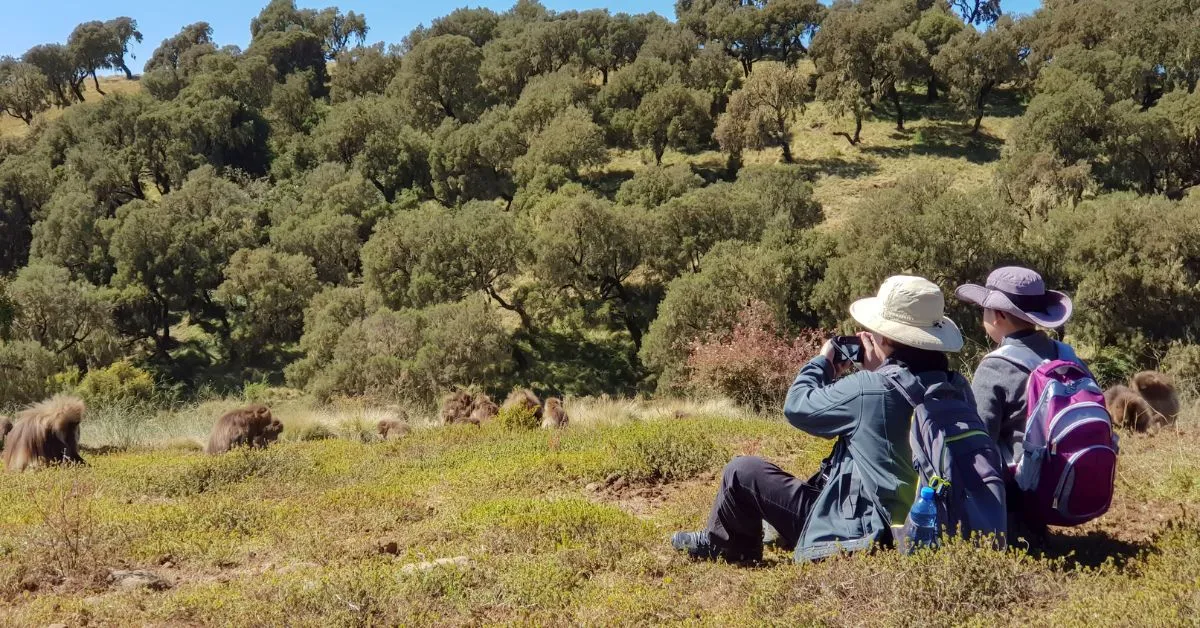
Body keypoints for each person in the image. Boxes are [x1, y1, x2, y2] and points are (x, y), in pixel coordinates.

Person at [671, 276, 970, 562]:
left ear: (887, 337)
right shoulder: (957, 387)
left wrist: (823, 362)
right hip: (931, 524)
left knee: (741, 471)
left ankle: (725, 545)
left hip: (860, 531)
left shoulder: (870, 389)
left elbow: (797, 406)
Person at [954, 266, 1079, 542]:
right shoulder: (1066, 355)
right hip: (1060, 478)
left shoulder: (996, 366)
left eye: (984, 310)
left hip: (1019, 488)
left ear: (998, 315)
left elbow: (980, 438)